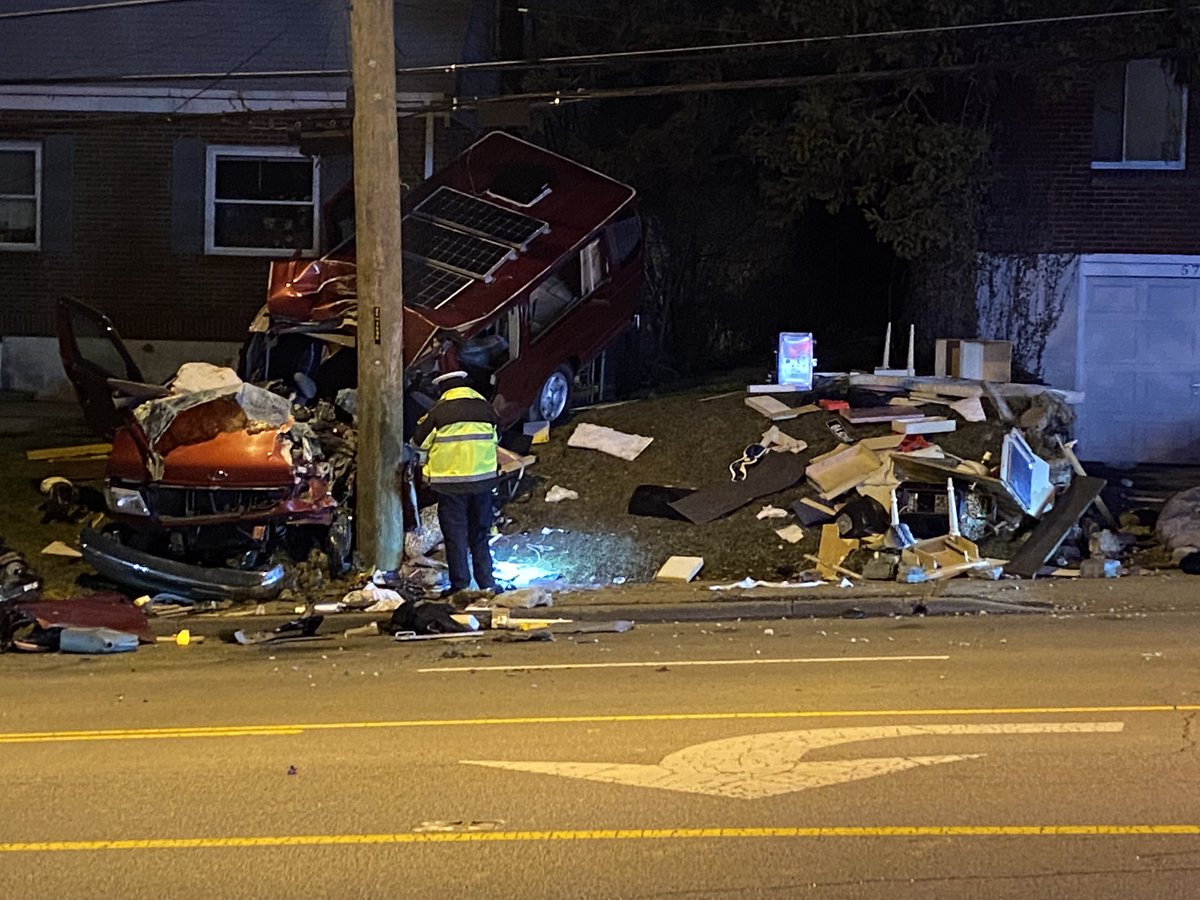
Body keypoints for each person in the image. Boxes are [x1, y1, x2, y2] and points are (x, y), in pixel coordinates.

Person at [411, 370, 501, 595]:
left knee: (455, 536)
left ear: (444, 389)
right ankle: (487, 583)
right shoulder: (485, 408)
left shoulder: (439, 412)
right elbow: (495, 439)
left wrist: (424, 468)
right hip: (483, 484)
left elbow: (417, 444)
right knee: (480, 534)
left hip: (450, 486)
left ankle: (461, 586)